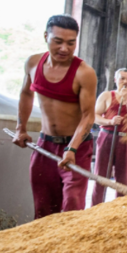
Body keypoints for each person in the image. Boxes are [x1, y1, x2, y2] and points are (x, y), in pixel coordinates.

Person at [12, 15, 97, 219]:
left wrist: (72, 148)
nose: (64, 49)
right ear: (46, 37)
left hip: (76, 148)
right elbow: (26, 94)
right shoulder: (33, 63)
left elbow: (88, 116)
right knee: (43, 207)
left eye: (71, 43)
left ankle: (70, 249)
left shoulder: (84, 73)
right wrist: (20, 128)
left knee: (72, 205)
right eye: (58, 41)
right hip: (45, 146)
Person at [91, 68, 127, 205]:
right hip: (107, 136)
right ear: (115, 80)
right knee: (101, 175)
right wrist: (110, 122)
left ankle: (119, 209)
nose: (125, 82)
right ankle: (96, 208)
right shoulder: (106, 96)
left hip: (126, 138)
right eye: (122, 78)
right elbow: (95, 116)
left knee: (123, 178)